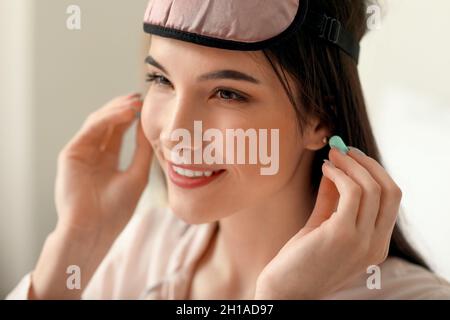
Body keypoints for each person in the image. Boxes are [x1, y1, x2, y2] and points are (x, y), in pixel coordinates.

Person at [7, 0, 450, 299]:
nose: (176, 130)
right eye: (162, 80)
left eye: (227, 94)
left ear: (321, 118)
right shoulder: (139, 247)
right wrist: (77, 242)